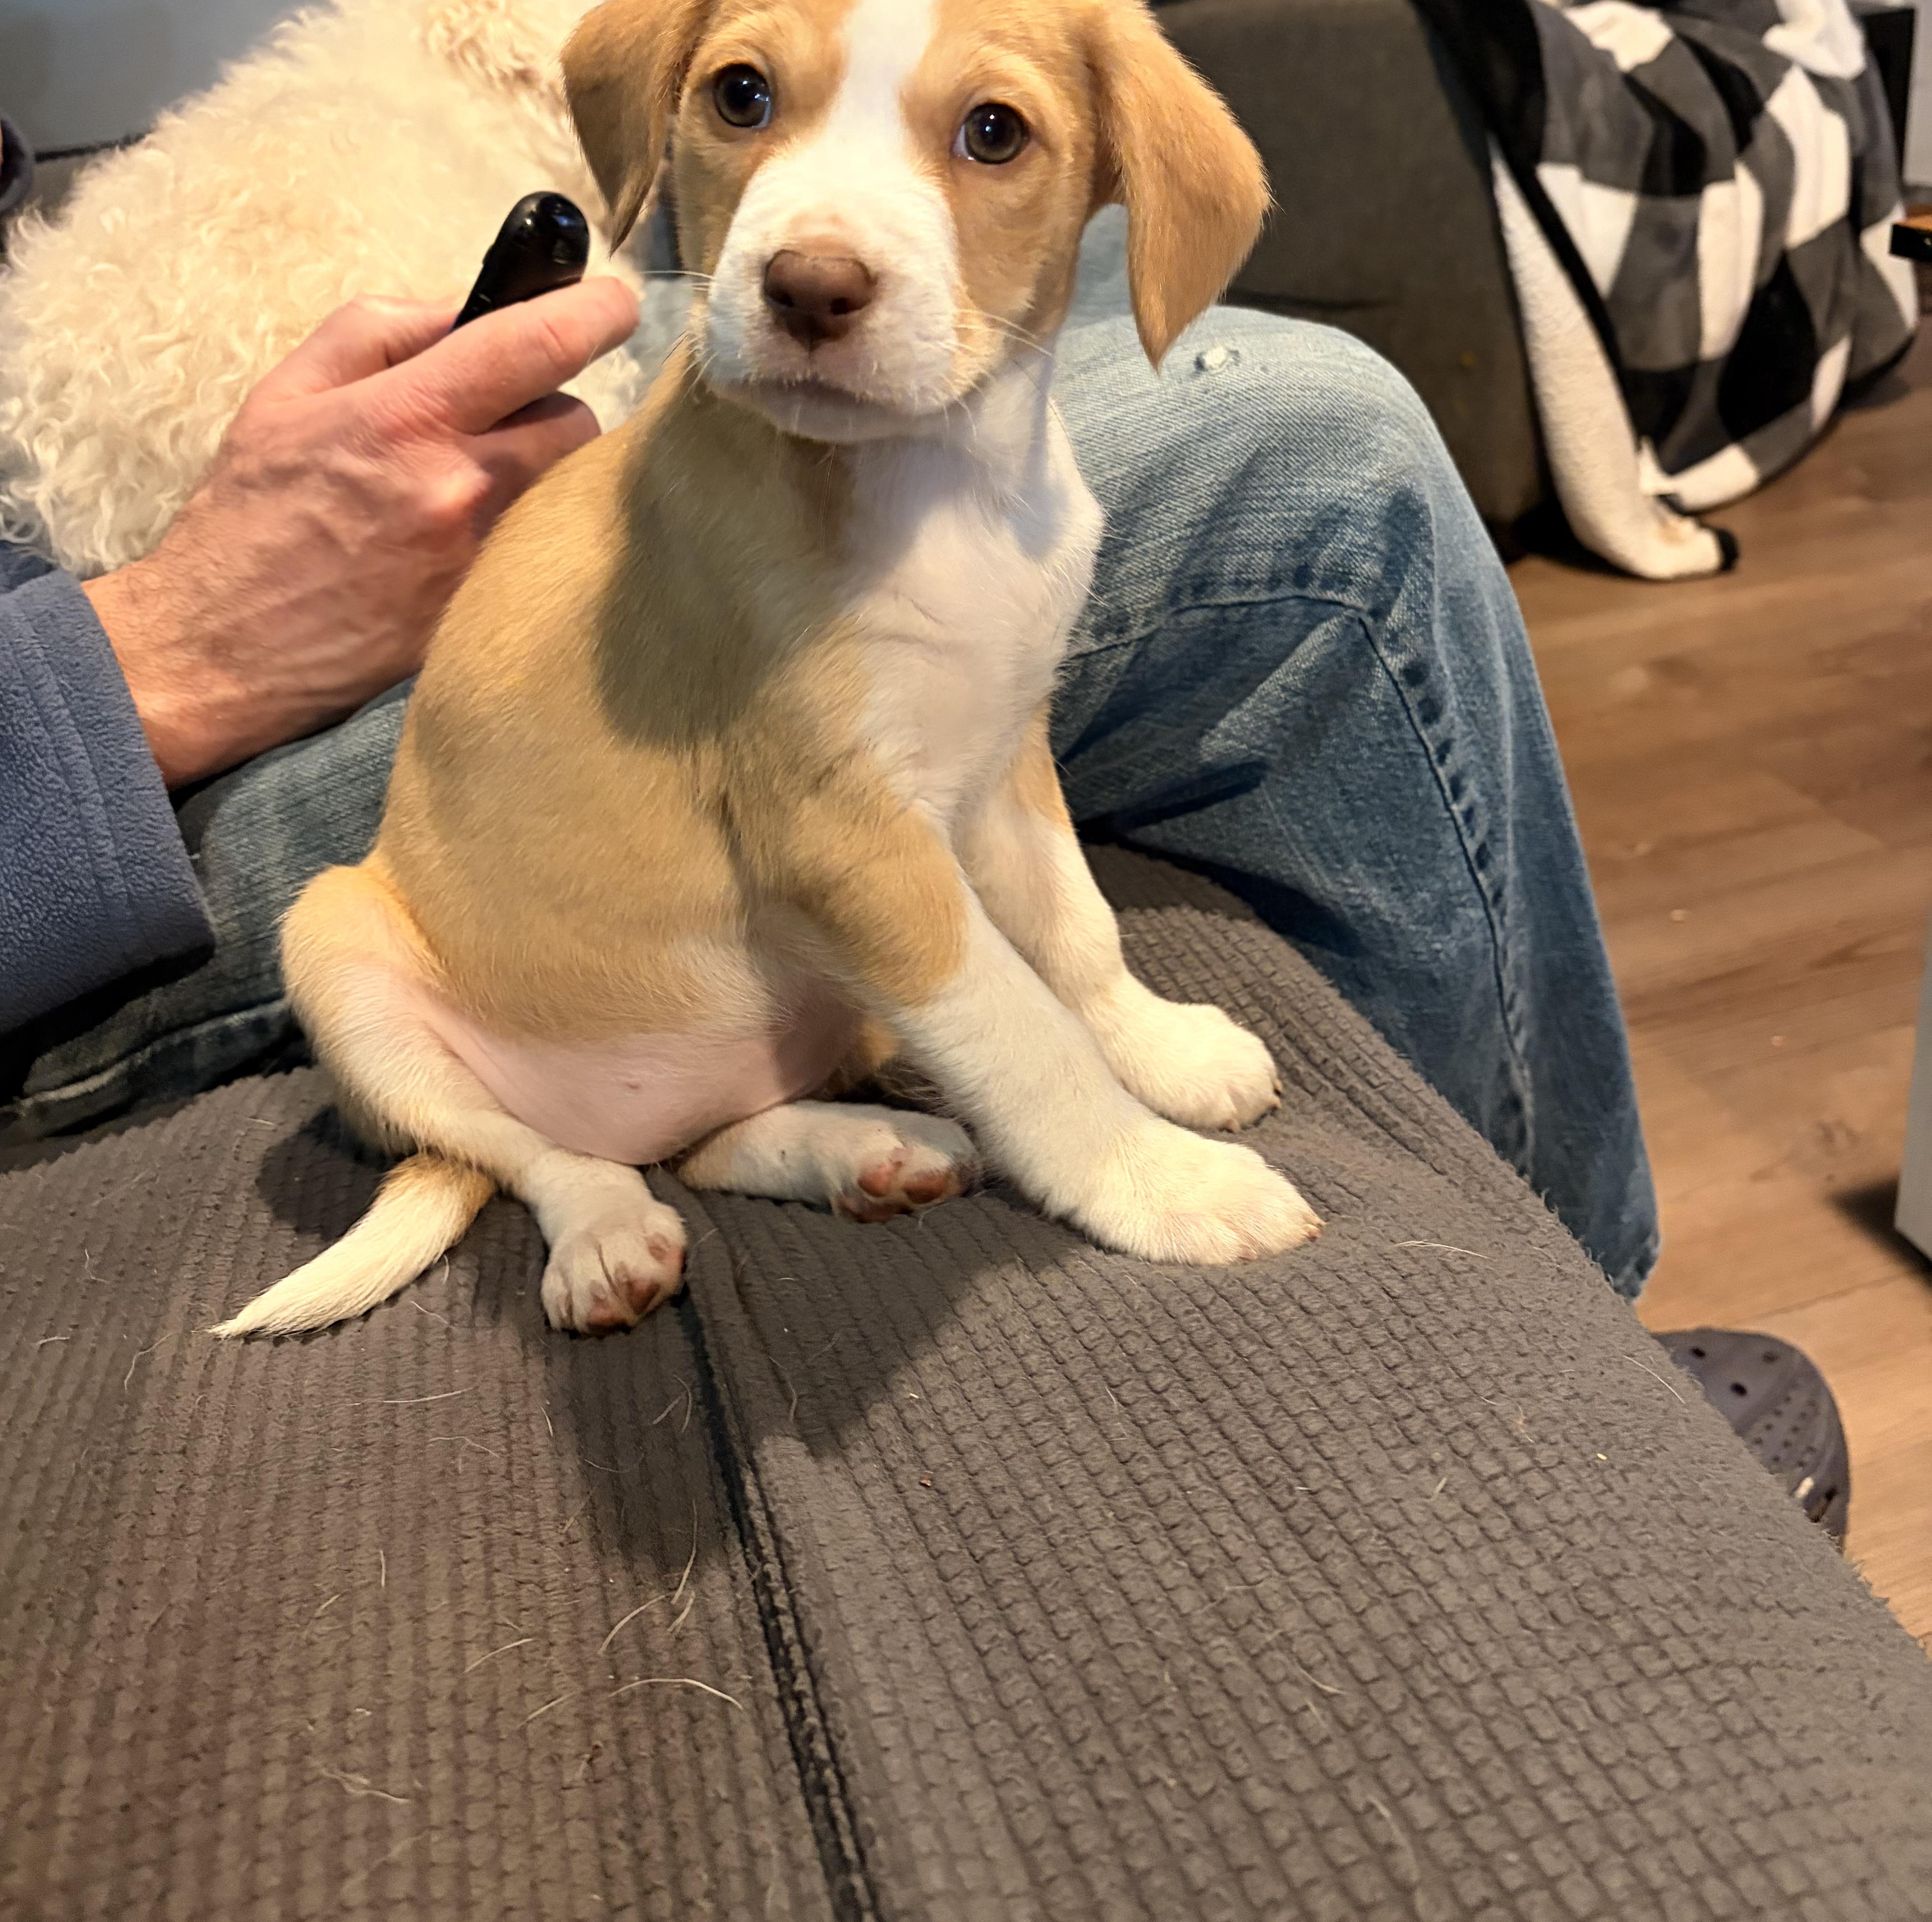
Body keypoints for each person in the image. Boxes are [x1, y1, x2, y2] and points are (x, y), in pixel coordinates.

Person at [0, 247, 1659, 1301]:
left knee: (1020, 314)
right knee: (1307, 446)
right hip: (90, 789)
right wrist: (166, 646)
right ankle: (1589, 1298)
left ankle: (745, 1128)